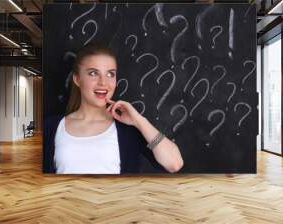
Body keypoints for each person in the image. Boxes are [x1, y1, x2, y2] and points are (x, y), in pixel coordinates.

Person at [43, 42, 184, 174]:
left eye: (110, 74)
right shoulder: (51, 127)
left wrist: (140, 121)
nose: (103, 82)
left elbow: (174, 164)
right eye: (93, 73)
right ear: (77, 79)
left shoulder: (128, 129)